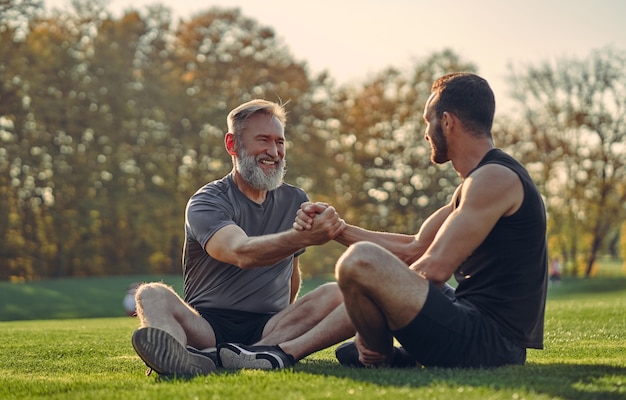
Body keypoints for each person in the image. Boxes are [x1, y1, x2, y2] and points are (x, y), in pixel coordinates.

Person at [220, 73, 548, 369]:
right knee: (366, 271)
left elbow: (433, 269)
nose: (425, 133)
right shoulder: (480, 181)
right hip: (470, 322)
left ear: (447, 122)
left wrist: (376, 315)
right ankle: (384, 357)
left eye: (427, 121)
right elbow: (415, 247)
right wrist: (339, 229)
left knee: (361, 262)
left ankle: (283, 353)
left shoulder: (494, 179)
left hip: (491, 343)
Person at [130, 99, 351, 377]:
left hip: (268, 330)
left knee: (338, 292)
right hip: (207, 327)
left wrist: (289, 321)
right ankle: (176, 353)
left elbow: (291, 273)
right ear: (232, 144)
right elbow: (240, 252)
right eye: (263, 140)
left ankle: (250, 353)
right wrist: (302, 238)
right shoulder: (207, 201)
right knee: (150, 293)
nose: (274, 151)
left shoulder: (295, 199)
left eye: (280, 142)